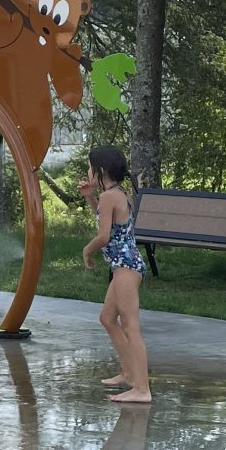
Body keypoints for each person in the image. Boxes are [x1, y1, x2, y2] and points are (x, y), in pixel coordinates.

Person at [80, 144, 151, 402]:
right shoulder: (117, 193)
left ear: (100, 170)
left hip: (125, 267)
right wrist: (89, 197)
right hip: (126, 265)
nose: (88, 172)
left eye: (90, 168)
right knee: (108, 318)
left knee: (131, 327)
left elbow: (103, 236)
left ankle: (142, 389)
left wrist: (87, 250)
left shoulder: (110, 196)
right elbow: (105, 221)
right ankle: (129, 375)